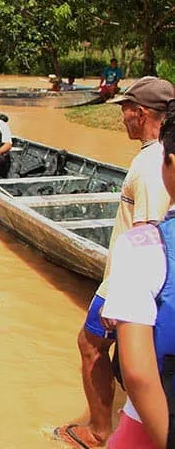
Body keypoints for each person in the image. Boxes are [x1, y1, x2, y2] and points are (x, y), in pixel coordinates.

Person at [54, 76, 175, 448]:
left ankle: (99, 430)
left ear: (140, 113)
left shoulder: (152, 164)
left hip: (128, 280)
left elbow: (149, 231)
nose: (122, 117)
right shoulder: (157, 155)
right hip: (142, 277)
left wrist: (119, 296)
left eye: (125, 110)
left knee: (90, 345)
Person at [100, 101, 175, 449]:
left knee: (90, 345)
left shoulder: (143, 247)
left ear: (169, 165)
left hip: (154, 424)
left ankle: (97, 427)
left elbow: (139, 374)